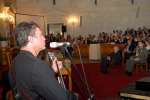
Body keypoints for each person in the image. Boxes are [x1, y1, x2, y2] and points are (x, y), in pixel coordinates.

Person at [9, 21, 68, 100]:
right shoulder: (37, 65)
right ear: (31, 39)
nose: (44, 38)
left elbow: (32, 80)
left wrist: (52, 70)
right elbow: (61, 97)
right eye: (41, 35)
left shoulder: (15, 61)